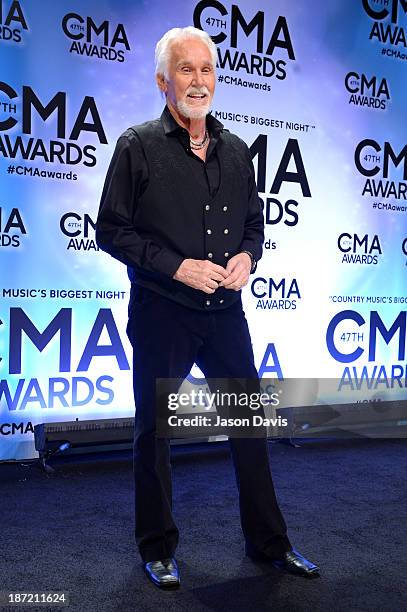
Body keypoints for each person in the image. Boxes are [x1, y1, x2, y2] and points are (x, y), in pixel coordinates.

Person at [95, 26, 319, 589]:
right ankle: (158, 548)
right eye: (186, 70)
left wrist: (248, 257)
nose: (199, 82)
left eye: (207, 70)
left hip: (225, 312)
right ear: (163, 81)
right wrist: (177, 266)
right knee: (157, 432)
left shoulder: (236, 151)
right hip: (162, 309)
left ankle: (270, 544)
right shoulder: (136, 145)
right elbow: (111, 230)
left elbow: (252, 225)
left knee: (247, 424)